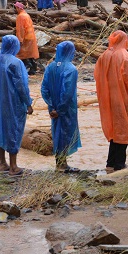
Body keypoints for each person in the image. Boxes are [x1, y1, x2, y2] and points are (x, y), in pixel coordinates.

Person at [95, 31, 128, 172]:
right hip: (123, 99)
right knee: (123, 130)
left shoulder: (104, 56)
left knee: (114, 129)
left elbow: (97, 76)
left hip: (107, 99)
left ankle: (110, 163)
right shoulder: (126, 58)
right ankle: (119, 164)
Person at [0, 35, 33, 176]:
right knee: (14, 130)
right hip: (13, 102)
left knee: (0, 128)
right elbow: (21, 85)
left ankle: (3, 163)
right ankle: (13, 166)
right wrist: (28, 103)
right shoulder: (15, 62)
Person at [41, 41, 81, 172]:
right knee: (66, 134)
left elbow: (44, 88)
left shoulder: (50, 67)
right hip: (66, 109)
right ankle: (62, 164)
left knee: (57, 132)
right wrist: (60, 110)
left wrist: (51, 106)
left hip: (53, 109)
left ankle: (60, 163)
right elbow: (67, 92)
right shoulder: (71, 69)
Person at [14, 2, 40, 75]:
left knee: (22, 53)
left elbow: (20, 29)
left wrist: (20, 39)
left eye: (16, 8)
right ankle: (33, 69)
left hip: (25, 37)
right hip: (31, 36)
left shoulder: (20, 16)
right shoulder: (26, 15)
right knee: (29, 53)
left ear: (18, 8)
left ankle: (27, 65)